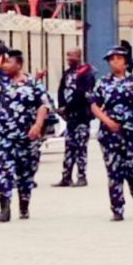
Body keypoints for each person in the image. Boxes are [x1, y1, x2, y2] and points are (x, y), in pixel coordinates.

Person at [0, 49, 49, 222]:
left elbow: (43, 105)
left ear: (19, 64)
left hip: (26, 137)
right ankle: (4, 208)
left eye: (8, 62)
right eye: (3, 62)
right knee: (2, 172)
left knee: (26, 174)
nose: (5, 66)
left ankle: (24, 205)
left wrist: (38, 125)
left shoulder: (33, 84)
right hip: (2, 136)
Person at [91, 47, 133, 221]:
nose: (115, 62)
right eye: (111, 59)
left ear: (126, 62)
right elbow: (95, 105)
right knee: (114, 172)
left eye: (118, 58)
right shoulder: (103, 83)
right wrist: (107, 121)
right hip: (111, 135)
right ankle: (117, 209)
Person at [54, 47, 95, 188]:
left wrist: (68, 107)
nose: (68, 59)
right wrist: (61, 107)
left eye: (71, 56)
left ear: (79, 56)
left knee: (81, 147)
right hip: (70, 117)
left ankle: (82, 176)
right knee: (69, 146)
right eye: (67, 56)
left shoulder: (86, 74)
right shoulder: (67, 74)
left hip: (82, 115)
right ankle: (66, 176)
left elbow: (81, 94)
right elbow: (61, 89)